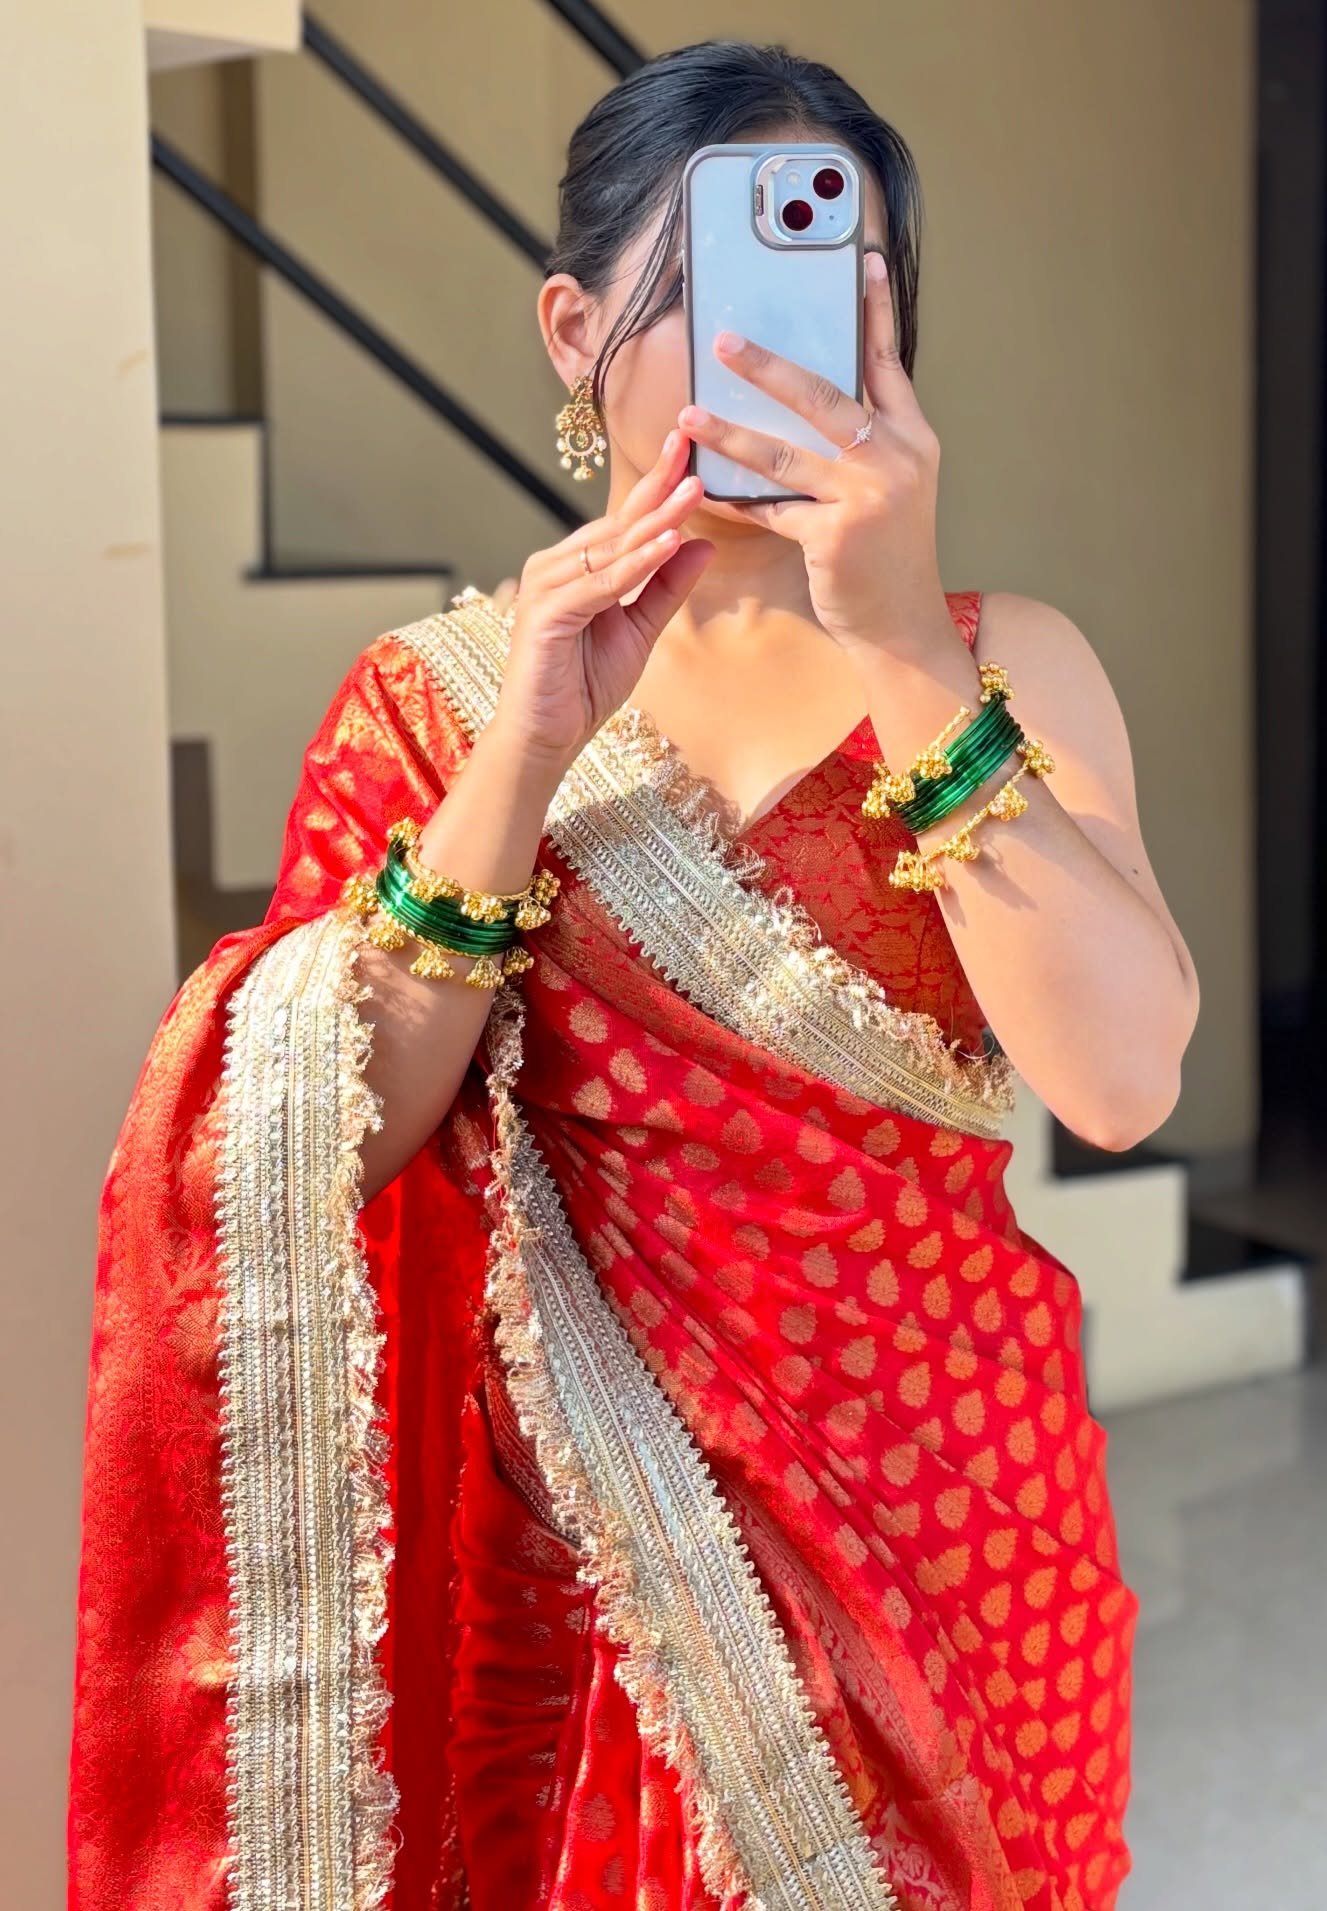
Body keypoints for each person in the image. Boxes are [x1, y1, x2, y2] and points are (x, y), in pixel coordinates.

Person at [68, 37, 1199, 1911]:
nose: (774, 356)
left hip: (964, 1536)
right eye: (714, 294)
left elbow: (1121, 1083)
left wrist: (907, 644)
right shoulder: (439, 711)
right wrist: (523, 759)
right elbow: (324, 1145)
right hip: (596, 1572)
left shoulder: (1014, 664)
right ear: (575, 328)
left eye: (834, 299)